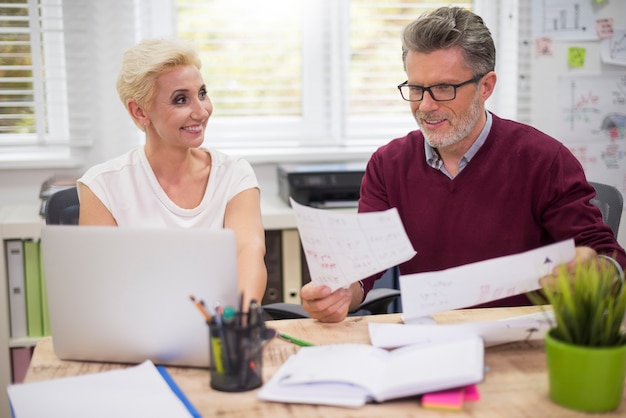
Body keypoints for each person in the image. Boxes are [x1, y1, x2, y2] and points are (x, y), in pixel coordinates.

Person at [300, 6, 626, 323]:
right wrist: (344, 291)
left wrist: (594, 269)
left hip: (518, 343)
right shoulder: (388, 164)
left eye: (444, 88)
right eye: (416, 88)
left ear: (485, 87)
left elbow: (610, 260)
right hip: (429, 342)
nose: (425, 106)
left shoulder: (543, 159)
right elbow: (363, 268)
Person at [77, 38, 267, 305]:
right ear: (140, 111)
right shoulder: (103, 187)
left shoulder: (234, 175)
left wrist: (238, 322)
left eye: (202, 93)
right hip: (138, 338)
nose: (202, 111)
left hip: (223, 329)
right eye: (181, 100)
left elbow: (249, 250)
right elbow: (101, 288)